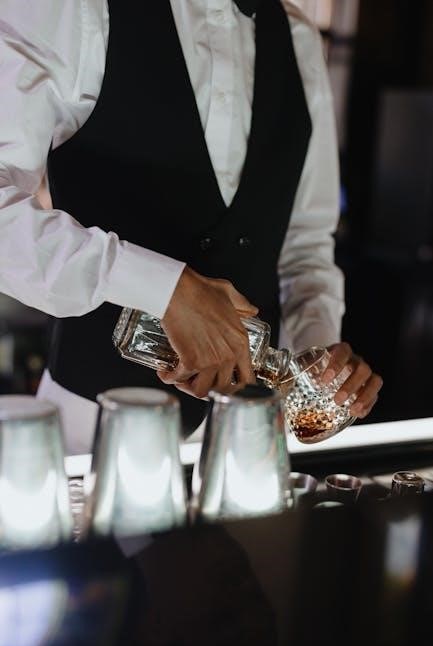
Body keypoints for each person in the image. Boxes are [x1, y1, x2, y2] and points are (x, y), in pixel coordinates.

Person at [0, 0, 382, 454]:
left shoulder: (298, 37)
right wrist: (163, 288)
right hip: (92, 431)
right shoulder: (67, 9)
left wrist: (316, 364)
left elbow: (305, 246)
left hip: (250, 443)